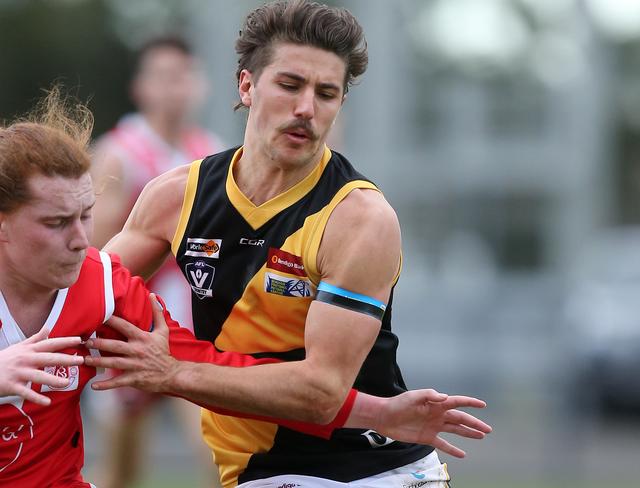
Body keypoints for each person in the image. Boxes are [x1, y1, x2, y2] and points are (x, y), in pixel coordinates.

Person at [85, 1, 493, 487]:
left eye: (326, 93)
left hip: (368, 473)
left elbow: (320, 393)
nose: (306, 108)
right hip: (255, 472)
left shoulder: (358, 217)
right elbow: (86, 292)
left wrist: (172, 371)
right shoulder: (176, 195)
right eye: (290, 85)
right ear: (247, 86)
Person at [1, 88, 490, 487]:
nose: (82, 240)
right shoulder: (182, 193)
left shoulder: (102, 289)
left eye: (86, 217)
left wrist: (379, 413)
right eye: (56, 222)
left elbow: (208, 367)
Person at [89, 35, 222, 488]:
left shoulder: (212, 153)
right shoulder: (119, 152)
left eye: (183, 76)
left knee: (219, 450)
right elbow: (96, 250)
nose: (175, 88)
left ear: (200, 85)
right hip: (128, 324)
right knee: (121, 470)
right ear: (141, 87)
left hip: (192, 323)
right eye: (163, 76)